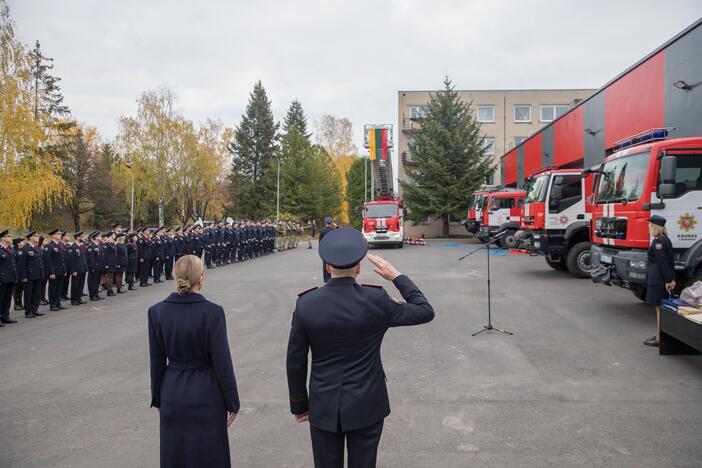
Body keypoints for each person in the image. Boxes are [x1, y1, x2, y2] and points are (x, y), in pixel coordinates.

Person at [286, 228, 435, 468]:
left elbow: (295, 360)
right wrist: (397, 276)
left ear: (327, 267)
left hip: (324, 404)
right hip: (367, 402)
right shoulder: (376, 300)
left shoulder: (306, 303)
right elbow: (425, 311)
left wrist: (299, 404)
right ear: (358, 267)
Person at [148, 255, 240, 468]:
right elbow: (222, 362)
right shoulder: (212, 312)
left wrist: (158, 398)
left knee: (176, 456)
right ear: (201, 278)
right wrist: (232, 401)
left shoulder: (157, 312)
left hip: (172, 392)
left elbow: (156, 361)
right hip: (206, 393)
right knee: (209, 456)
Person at [643, 215, 675, 348]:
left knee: (659, 310)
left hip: (657, 280)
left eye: (650, 225)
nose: (648, 227)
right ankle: (659, 335)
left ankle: (660, 338)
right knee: (660, 309)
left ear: (655, 227)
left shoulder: (658, 242)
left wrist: (669, 280)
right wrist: (671, 278)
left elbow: (662, 263)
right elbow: (670, 261)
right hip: (661, 279)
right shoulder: (665, 239)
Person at [18, 230, 44, 318]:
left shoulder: (37, 248)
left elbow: (40, 262)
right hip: (29, 276)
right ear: (31, 238)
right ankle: (28, 311)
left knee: (36, 293)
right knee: (28, 294)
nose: (38, 237)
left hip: (38, 274)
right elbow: (21, 264)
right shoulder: (24, 249)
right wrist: (23, 276)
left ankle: (34, 309)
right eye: (36, 236)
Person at [0, 229, 18, 325]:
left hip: (10, 278)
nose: (10, 238)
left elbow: (13, 264)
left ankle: (5, 316)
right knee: (1, 299)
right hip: (2, 279)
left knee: (7, 299)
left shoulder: (10, 249)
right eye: (9, 236)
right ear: (2, 238)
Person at [318, 217, 336, 283]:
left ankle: (326, 278)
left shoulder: (322, 230)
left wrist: (320, 249)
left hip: (325, 249)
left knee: (325, 264)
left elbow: (320, 241)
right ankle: (332, 277)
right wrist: (335, 225)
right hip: (332, 249)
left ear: (325, 223)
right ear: (331, 223)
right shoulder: (333, 230)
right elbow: (339, 230)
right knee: (332, 263)